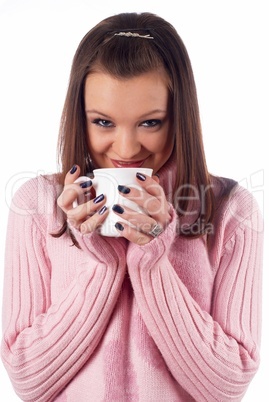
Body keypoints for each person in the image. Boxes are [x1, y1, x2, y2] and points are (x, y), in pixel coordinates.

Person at [1, 12, 263, 402]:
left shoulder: (231, 211)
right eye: (103, 122)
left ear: (180, 116)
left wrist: (154, 260)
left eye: (150, 123)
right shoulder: (39, 206)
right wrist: (104, 262)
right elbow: (28, 379)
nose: (126, 150)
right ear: (80, 117)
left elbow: (227, 387)